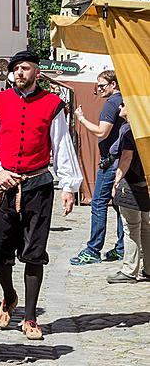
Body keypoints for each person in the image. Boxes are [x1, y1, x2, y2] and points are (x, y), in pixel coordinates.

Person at [0, 50, 82, 341]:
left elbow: (61, 145)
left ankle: (30, 316)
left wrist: (69, 186)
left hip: (38, 185)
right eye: (16, 69)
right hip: (2, 186)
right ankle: (9, 295)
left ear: (36, 72)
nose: (20, 73)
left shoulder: (52, 105)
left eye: (26, 68)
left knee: (34, 252)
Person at [70, 70, 126, 265]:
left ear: (113, 85)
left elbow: (102, 132)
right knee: (119, 205)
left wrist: (82, 118)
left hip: (110, 161)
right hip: (120, 159)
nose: (99, 89)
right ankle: (121, 248)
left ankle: (93, 249)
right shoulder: (122, 101)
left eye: (102, 85)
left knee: (98, 203)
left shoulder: (111, 103)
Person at [107, 103, 150, 283]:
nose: (119, 106)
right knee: (146, 227)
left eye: (124, 104)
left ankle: (129, 270)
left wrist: (117, 180)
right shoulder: (145, 126)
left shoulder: (128, 129)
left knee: (131, 227)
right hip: (145, 181)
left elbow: (126, 157)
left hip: (131, 183)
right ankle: (148, 268)